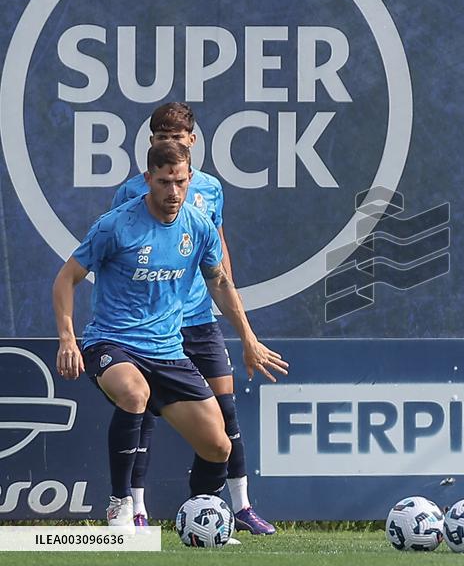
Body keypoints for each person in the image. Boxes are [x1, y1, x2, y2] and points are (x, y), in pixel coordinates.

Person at [53, 140, 289, 530]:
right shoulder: (116, 225)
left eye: (180, 181)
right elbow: (66, 278)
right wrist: (67, 338)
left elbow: (219, 283)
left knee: (218, 446)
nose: (173, 192)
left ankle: (202, 518)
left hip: (168, 350)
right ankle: (120, 504)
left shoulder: (198, 226)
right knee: (134, 393)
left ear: (190, 178)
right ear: (148, 179)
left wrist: (248, 337)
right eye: (164, 182)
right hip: (112, 342)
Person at [109, 102, 274, 534]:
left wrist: (240, 325)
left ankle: (233, 508)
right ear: (151, 146)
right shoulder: (131, 192)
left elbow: (218, 258)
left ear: (191, 142)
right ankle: (136, 509)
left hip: (200, 318)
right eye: (161, 138)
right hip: (153, 324)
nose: (170, 144)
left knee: (224, 410)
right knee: (142, 411)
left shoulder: (211, 189)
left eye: (177, 138)